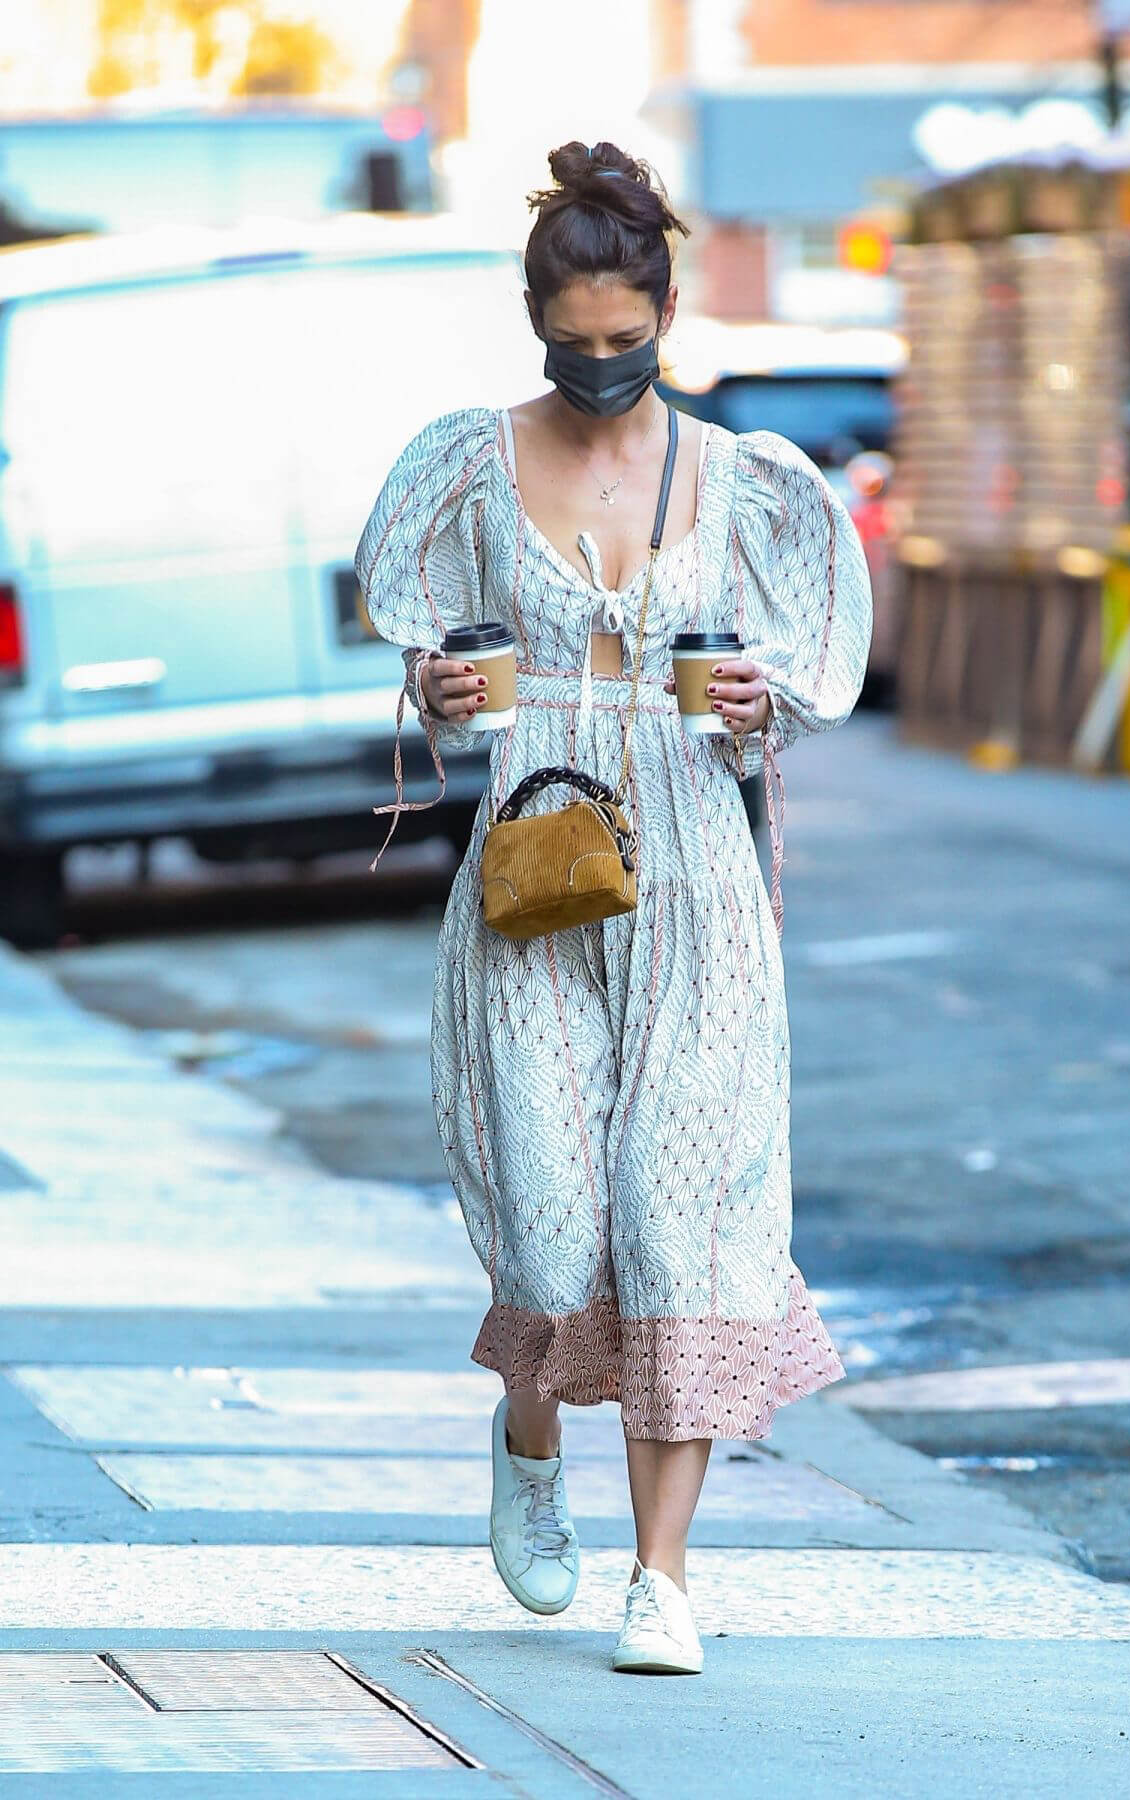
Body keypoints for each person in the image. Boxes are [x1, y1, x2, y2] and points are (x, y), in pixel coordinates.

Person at [355, 139, 872, 1675]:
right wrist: (440, 687)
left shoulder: (744, 479)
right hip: (536, 869)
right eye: (572, 346)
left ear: (663, 315)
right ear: (537, 326)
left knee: (674, 1220)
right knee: (548, 1236)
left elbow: (803, 685)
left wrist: (751, 704)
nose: (600, 369)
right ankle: (527, 1439)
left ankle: (664, 1581)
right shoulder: (468, 460)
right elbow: (432, 669)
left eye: (624, 342)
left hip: (695, 889)